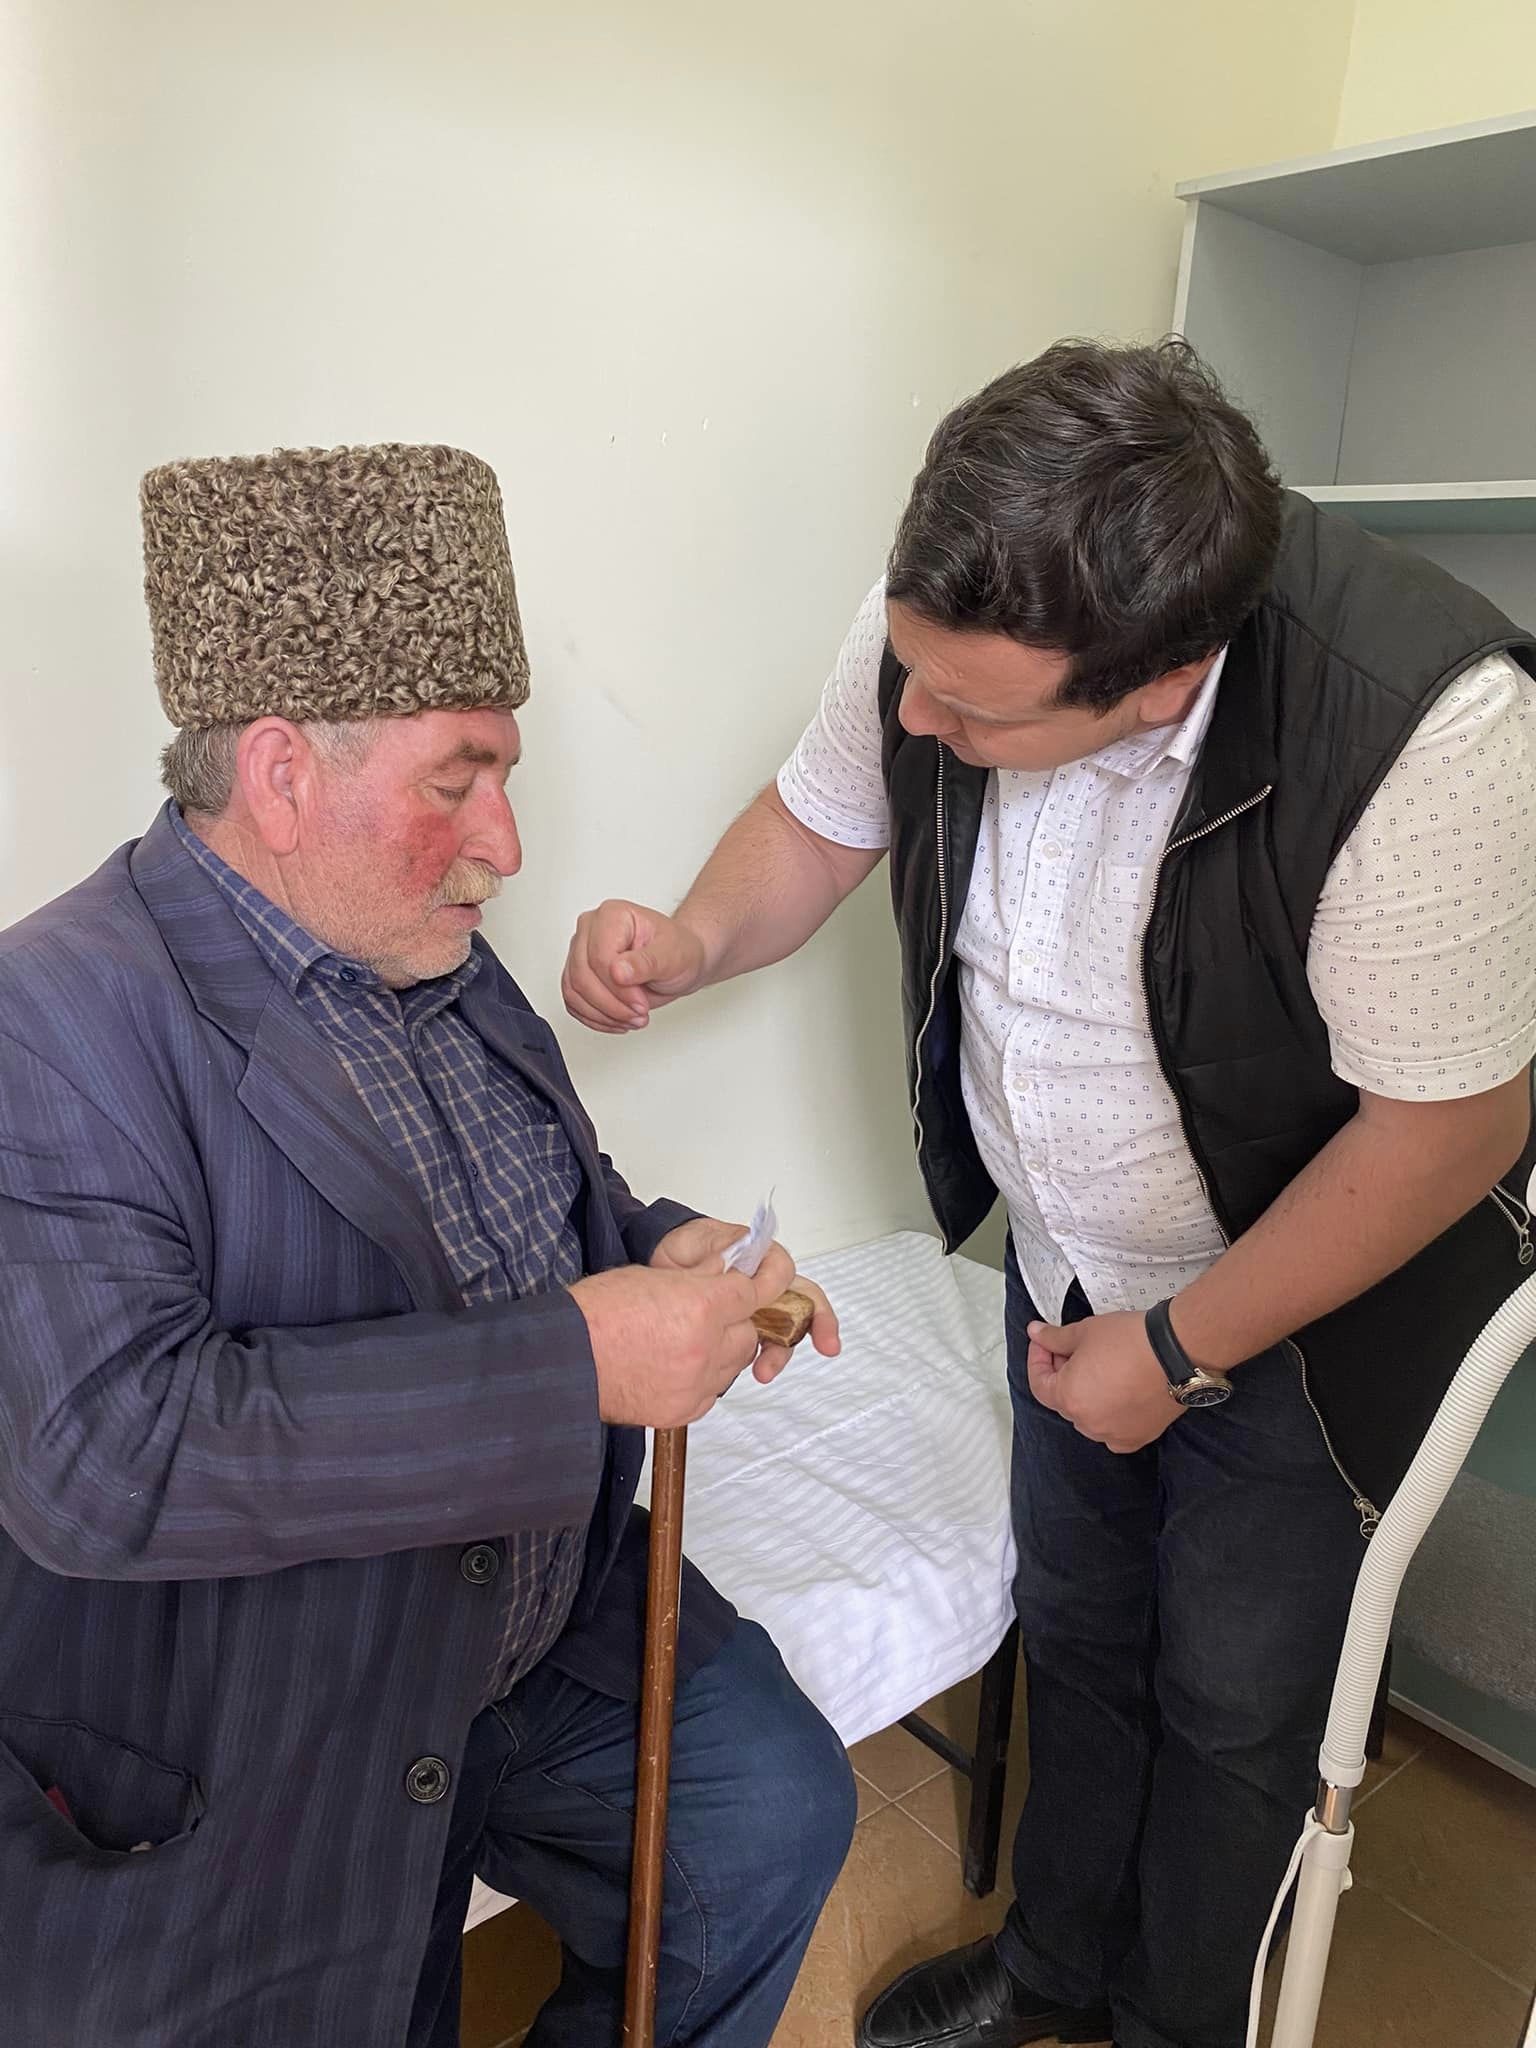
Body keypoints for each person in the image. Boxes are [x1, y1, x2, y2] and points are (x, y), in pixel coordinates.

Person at [563, 340, 1536, 2048]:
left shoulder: (1431, 732)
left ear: (1163, 684)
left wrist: (1179, 1348)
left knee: (1235, 1700)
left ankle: (1172, 2020)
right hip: (1069, 1256)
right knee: (1076, 1621)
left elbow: (1446, 1136)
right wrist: (696, 940)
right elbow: (822, 820)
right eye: (913, 679)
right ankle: (1057, 1963)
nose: (916, 721)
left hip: (1307, 1305)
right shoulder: (961, 618)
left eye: (969, 715)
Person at [0, 442, 853, 2048]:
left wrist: (661, 1247)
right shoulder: (54, 1018)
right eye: (458, 783)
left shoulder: (433, 953)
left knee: (768, 1820)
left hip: (532, 1620)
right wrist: (579, 1366)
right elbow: (107, 1455)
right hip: (292, 1687)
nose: (507, 844)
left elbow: (536, 1203)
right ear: (281, 774)